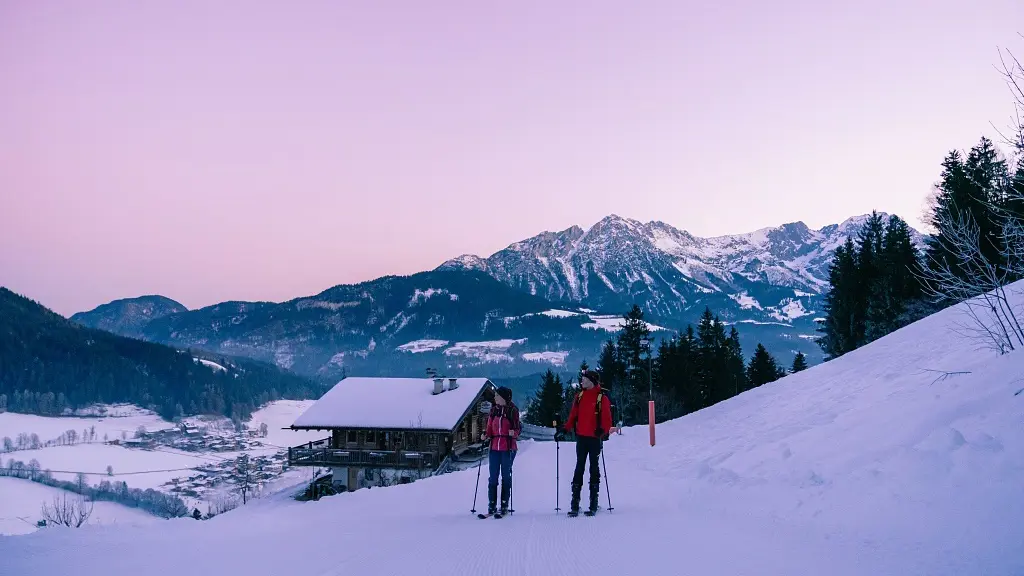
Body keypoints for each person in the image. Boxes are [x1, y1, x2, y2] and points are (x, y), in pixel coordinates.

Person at [556, 369, 612, 515]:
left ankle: (591, 503)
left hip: (594, 438)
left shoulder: (601, 398)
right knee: (580, 467)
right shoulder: (579, 396)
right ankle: (576, 504)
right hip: (581, 437)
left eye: (584, 379)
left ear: (592, 381)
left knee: (593, 468)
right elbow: (573, 416)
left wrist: (603, 431)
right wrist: (565, 429)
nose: (581, 381)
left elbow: (607, 419)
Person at [481, 386, 520, 515]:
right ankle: (491, 504)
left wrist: (513, 433)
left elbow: (518, 429)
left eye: (497, 395)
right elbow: (489, 427)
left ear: (503, 398)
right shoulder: (494, 410)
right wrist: (485, 435)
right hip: (494, 447)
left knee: (505, 476)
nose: (495, 397)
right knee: (493, 477)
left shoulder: (513, 410)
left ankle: (504, 504)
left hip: (508, 447)